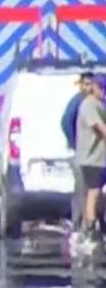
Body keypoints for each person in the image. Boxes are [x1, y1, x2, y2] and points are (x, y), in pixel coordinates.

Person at [73, 76, 106, 244]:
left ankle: (95, 227)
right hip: (90, 158)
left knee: (96, 192)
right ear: (96, 88)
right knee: (93, 192)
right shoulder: (89, 105)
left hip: (98, 158)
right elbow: (99, 128)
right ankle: (90, 230)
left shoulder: (98, 105)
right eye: (103, 90)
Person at [63, 72, 95, 227]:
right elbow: (65, 121)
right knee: (82, 189)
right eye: (86, 84)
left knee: (89, 189)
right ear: (81, 85)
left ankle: (87, 223)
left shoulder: (95, 101)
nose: (89, 87)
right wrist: (75, 142)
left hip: (94, 153)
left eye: (91, 84)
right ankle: (79, 223)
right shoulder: (78, 101)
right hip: (82, 153)